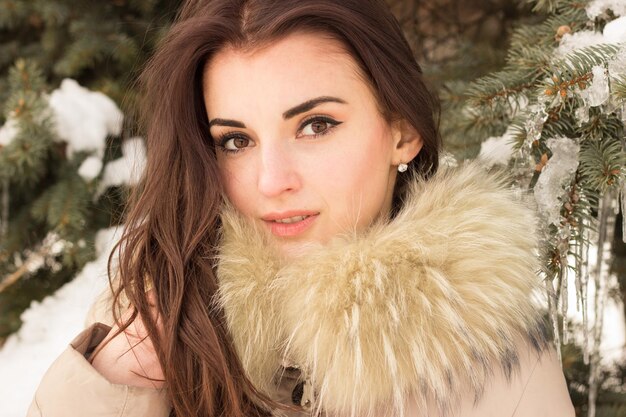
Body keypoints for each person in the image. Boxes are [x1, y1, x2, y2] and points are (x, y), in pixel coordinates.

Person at [27, 0, 575, 416]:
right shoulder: (158, 305)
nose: (272, 181)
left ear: (402, 132)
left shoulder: (495, 357)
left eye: (316, 126)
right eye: (236, 141)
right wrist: (104, 389)